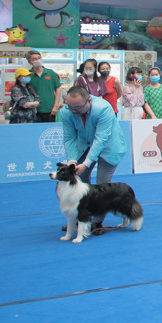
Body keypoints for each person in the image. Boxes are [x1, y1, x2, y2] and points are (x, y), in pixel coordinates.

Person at [59, 86, 129, 235]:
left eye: (78, 108)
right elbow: (69, 138)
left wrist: (86, 163)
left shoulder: (103, 109)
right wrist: (72, 160)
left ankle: (97, 221)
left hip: (109, 146)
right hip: (84, 145)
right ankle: (81, 218)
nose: (74, 111)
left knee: (102, 184)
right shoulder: (66, 112)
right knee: (80, 181)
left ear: (89, 101)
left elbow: (101, 139)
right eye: (70, 107)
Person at [26, 50, 61, 123]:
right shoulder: (28, 75)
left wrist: (56, 106)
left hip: (50, 110)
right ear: (30, 62)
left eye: (39, 58)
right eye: (34, 59)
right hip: (34, 110)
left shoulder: (50, 73)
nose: (38, 60)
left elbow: (58, 89)